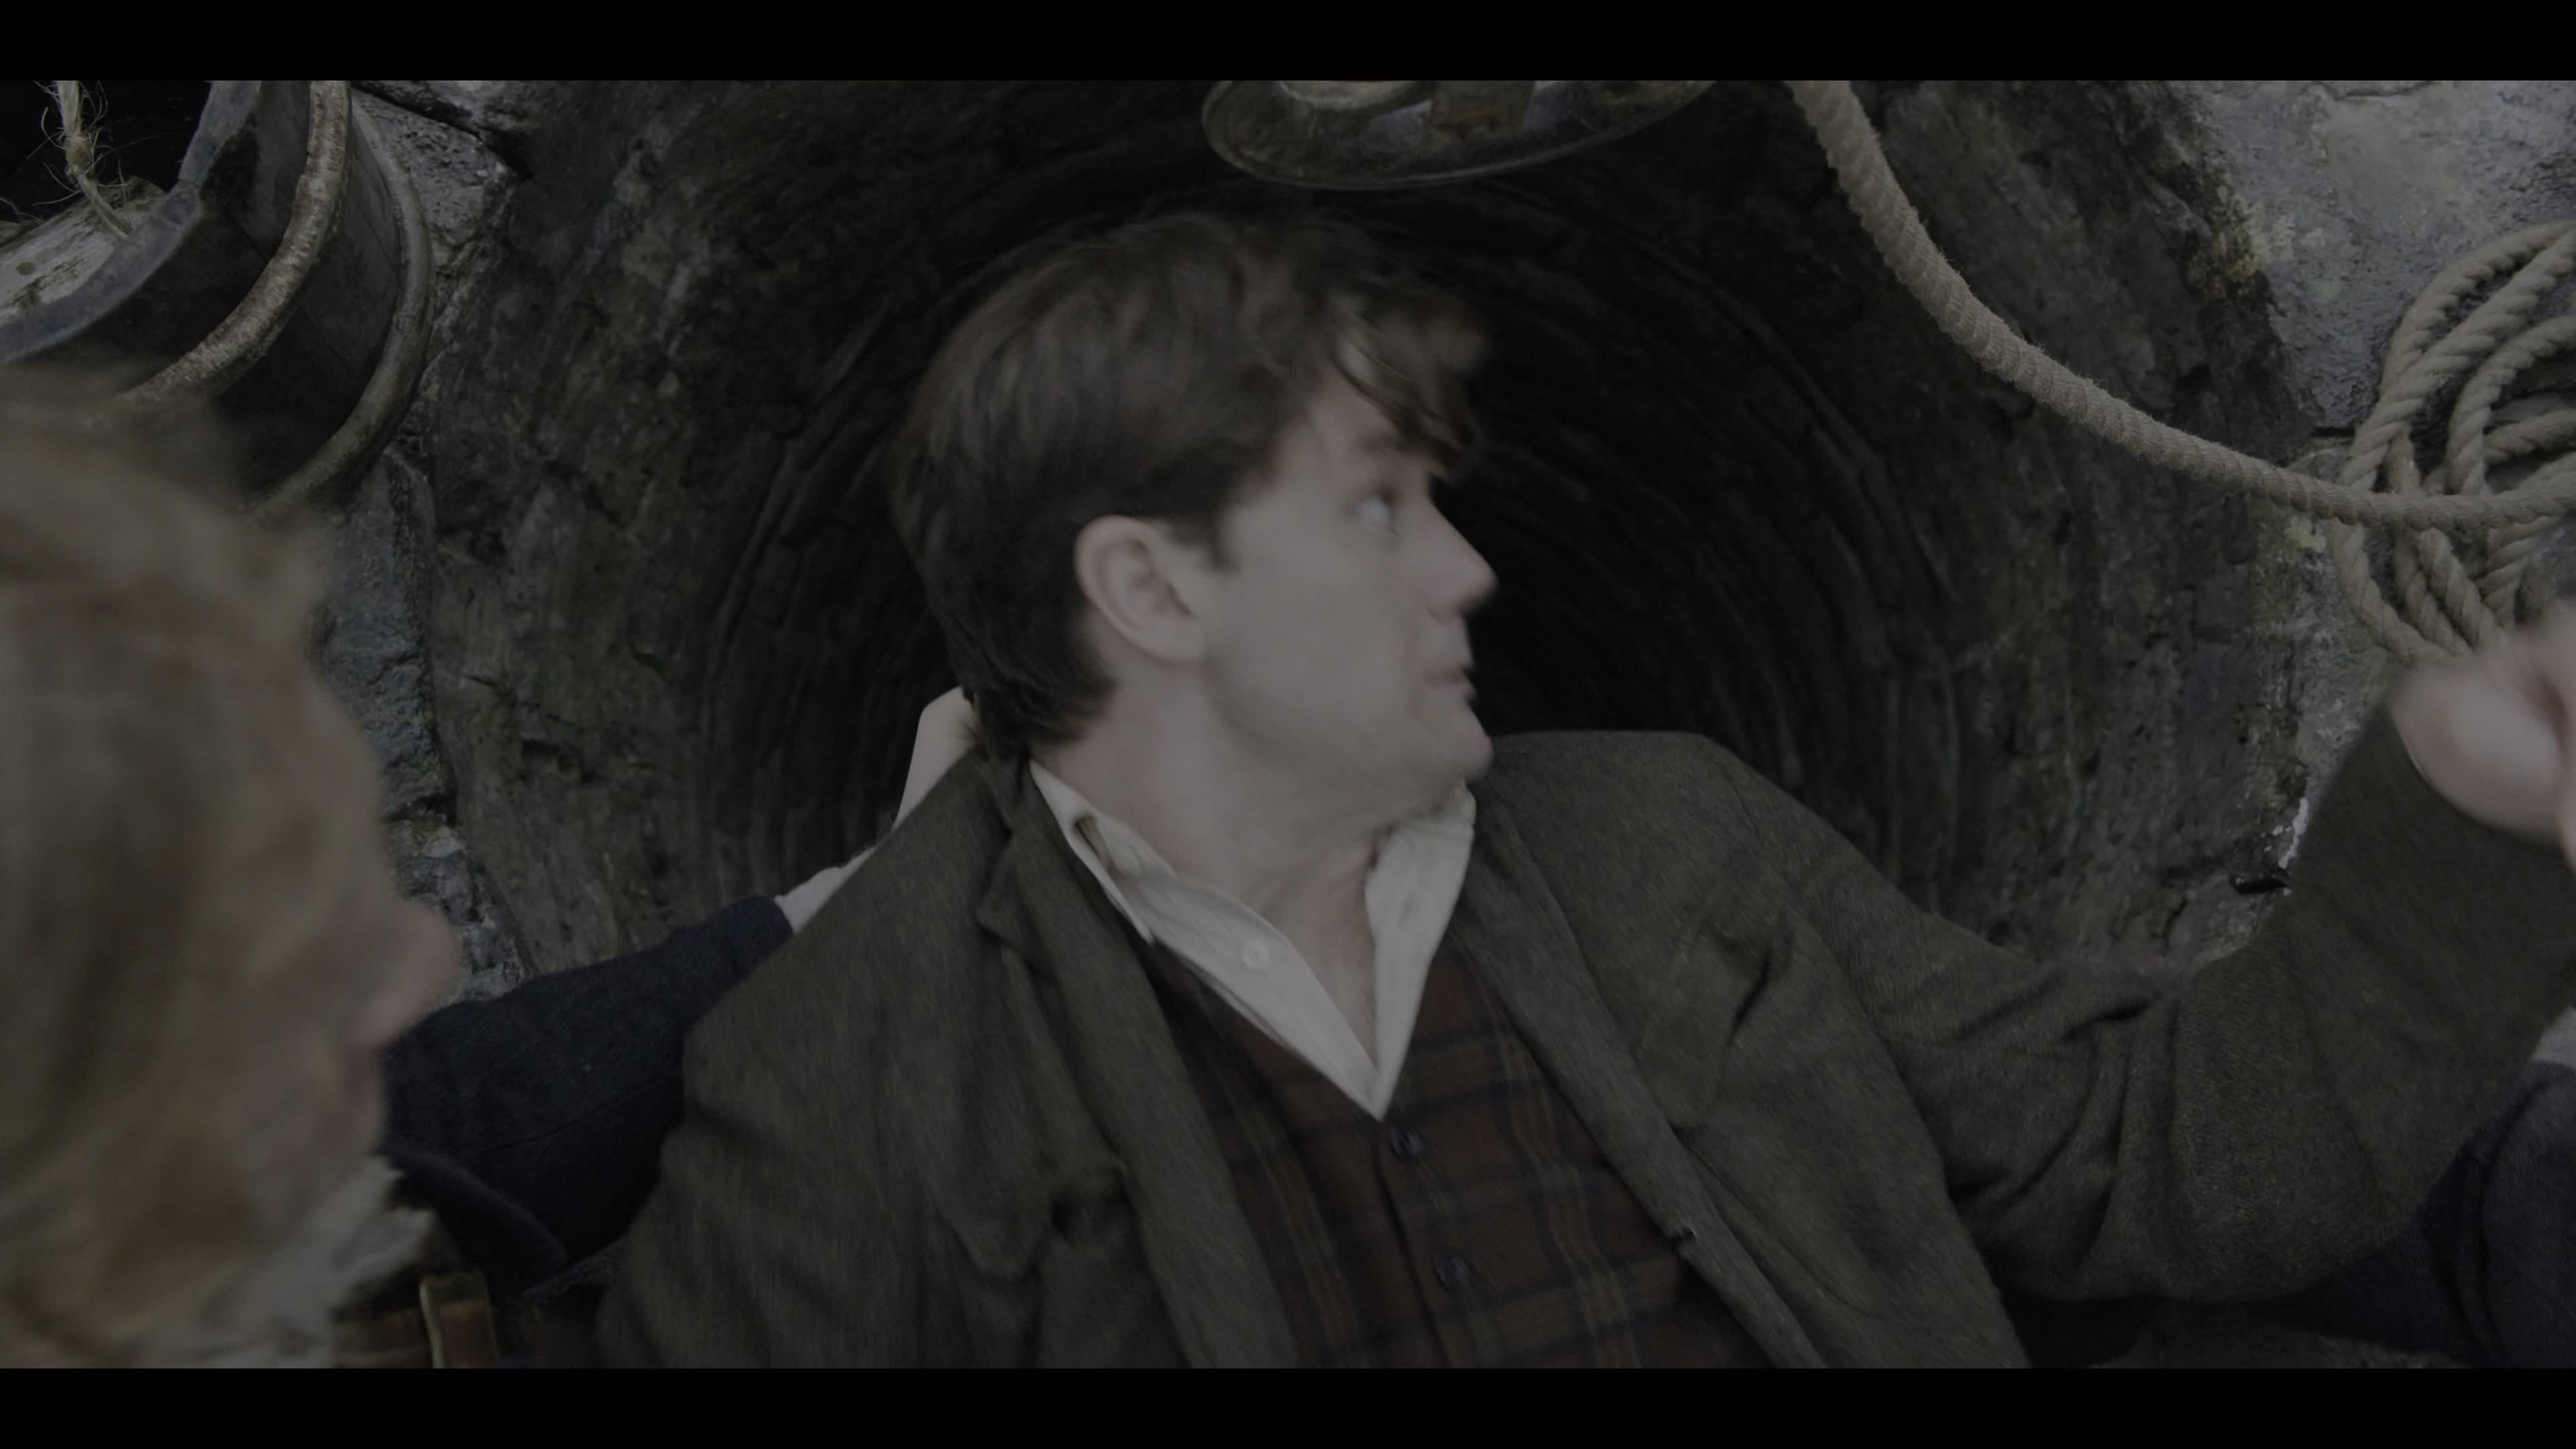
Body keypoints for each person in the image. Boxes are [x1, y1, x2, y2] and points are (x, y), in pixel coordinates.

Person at [597, 211, 2576, 1368]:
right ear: (1155, 590)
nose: (1469, 572)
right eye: (1381, 513)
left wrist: (2465, 806)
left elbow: (2147, 1158)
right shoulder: (847, 1069)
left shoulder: (1670, 837)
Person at [0, 366, 969, 1366]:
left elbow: (443, 1121)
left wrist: (832, 926)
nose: (434, 957)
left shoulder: (168, 1203)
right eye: (324, 978)